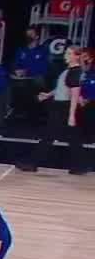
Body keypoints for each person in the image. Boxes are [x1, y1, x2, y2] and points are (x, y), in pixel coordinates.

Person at [18, 45, 85, 173]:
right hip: (60, 105)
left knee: (49, 135)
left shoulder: (75, 71)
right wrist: (48, 95)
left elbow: (75, 95)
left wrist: (71, 115)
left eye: (69, 54)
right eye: (66, 53)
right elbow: (62, 87)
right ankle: (80, 166)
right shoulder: (69, 70)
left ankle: (32, 163)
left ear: (76, 56)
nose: (65, 56)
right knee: (73, 138)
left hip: (64, 107)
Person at [9, 27, 50, 124]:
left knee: (35, 82)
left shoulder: (43, 50)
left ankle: (33, 115)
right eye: (27, 34)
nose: (29, 36)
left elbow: (44, 68)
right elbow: (15, 64)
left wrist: (27, 71)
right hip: (22, 77)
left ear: (37, 36)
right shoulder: (21, 50)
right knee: (11, 81)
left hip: (37, 77)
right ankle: (12, 111)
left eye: (31, 34)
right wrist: (16, 71)